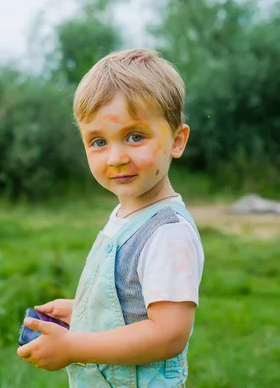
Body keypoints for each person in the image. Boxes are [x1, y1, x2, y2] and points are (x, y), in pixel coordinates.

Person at [17, 48, 205, 387]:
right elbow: (136, 304)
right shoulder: (126, 214)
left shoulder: (167, 234)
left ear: (177, 141)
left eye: (135, 137)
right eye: (99, 141)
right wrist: (86, 312)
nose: (116, 157)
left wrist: (74, 345)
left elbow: (168, 334)